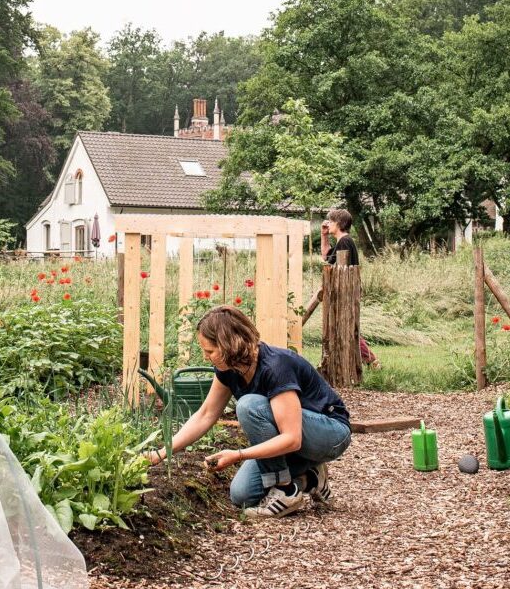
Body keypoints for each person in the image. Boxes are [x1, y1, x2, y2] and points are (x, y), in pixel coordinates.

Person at [145, 306, 351, 519]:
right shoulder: (229, 370)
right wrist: (162, 453)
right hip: (296, 439)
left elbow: (292, 439)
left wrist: (238, 455)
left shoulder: (275, 366)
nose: (206, 358)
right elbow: (205, 415)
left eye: (210, 351)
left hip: (330, 434)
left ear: (228, 345)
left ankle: (286, 490)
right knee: (241, 494)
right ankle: (310, 477)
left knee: (248, 405)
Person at [320, 208, 379, 370]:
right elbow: (326, 257)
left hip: (346, 293)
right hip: (344, 293)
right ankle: (367, 361)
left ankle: (371, 361)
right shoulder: (342, 242)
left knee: (349, 330)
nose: (328, 224)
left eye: (331, 221)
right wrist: (324, 236)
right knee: (347, 329)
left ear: (339, 223)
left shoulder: (345, 242)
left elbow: (340, 269)